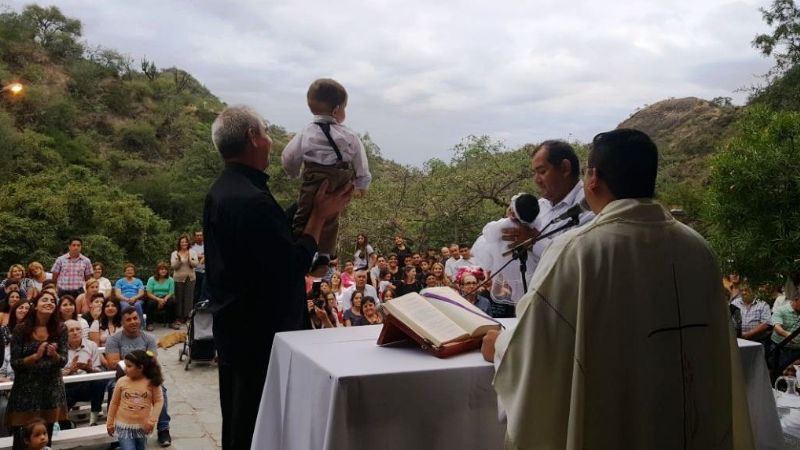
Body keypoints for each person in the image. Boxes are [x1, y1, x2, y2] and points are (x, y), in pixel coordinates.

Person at [481, 129, 752, 448]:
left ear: (592, 178)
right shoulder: (699, 248)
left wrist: (500, 346)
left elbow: (536, 345)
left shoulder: (579, 250)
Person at [204, 105, 352, 450]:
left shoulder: (226, 190)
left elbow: (267, 239)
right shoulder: (249, 199)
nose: (271, 141)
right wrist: (319, 216)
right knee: (259, 426)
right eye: (267, 133)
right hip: (261, 337)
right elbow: (290, 263)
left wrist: (308, 206)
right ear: (253, 138)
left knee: (241, 418)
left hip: (237, 329)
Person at [282, 78, 371, 275]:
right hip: (341, 177)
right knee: (332, 218)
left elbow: (289, 156)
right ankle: (324, 255)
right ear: (337, 110)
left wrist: (293, 172)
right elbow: (360, 159)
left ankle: (300, 247)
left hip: (315, 177)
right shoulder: (349, 135)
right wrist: (361, 183)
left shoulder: (306, 133)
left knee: (304, 212)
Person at [500, 140, 594, 275]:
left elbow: (576, 262)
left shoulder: (589, 207)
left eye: (542, 171)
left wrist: (533, 242)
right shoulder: (540, 206)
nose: (536, 180)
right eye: (535, 173)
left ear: (564, 168)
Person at [7, 292, 67, 450]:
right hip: (25, 392)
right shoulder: (21, 329)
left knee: (44, 440)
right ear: (35, 305)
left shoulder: (61, 329)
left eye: (53, 301)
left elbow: (63, 361)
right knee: (22, 440)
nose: (49, 302)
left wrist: (53, 355)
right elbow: (15, 363)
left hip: (51, 390)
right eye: (45, 299)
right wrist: (36, 356)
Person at [103, 308, 171, 446]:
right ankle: (119, 430)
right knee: (113, 388)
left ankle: (163, 429)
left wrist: (136, 367)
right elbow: (111, 363)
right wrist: (135, 365)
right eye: (128, 319)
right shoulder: (114, 339)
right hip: (122, 377)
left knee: (161, 391)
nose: (133, 322)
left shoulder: (149, 338)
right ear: (121, 322)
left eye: (135, 318)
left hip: (145, 377)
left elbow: (152, 362)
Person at [471, 193, 540, 318]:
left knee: (516, 295)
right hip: (528, 264)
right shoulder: (534, 225)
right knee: (523, 293)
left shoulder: (505, 223)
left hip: (506, 261)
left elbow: (488, 232)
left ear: (512, 212)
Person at [107, 350, 164, 450]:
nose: (125, 369)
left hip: (142, 427)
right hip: (123, 426)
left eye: (129, 366)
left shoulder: (152, 382)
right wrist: (110, 422)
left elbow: (159, 401)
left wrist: (152, 421)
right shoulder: (121, 381)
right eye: (125, 365)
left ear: (140, 368)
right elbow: (114, 403)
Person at [62, 319, 105, 426]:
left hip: (86, 384)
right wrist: (70, 371)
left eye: (78, 329)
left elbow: (97, 370)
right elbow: (55, 375)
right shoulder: (59, 349)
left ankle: (93, 419)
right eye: (71, 330)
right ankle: (64, 422)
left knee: (100, 381)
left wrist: (89, 369)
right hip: (67, 386)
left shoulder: (91, 345)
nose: (75, 332)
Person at [171, 235, 199, 325]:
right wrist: (179, 260)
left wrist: (190, 259)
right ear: (179, 243)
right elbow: (174, 266)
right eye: (182, 242)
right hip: (178, 278)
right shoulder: (175, 253)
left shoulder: (192, 252)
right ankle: (179, 318)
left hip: (190, 278)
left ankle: (188, 317)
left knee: (189, 298)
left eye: (186, 242)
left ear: (188, 243)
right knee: (179, 298)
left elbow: (195, 264)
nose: (184, 243)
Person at [145, 263, 176, 331]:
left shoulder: (170, 279)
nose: (163, 271)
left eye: (165, 269)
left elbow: (171, 292)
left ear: (167, 271)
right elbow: (148, 293)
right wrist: (158, 299)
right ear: (158, 271)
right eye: (161, 269)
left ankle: (171, 322)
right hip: (154, 297)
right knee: (150, 303)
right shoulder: (151, 279)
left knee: (172, 302)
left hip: (166, 297)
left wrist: (164, 299)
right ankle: (149, 324)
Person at [191, 230, 206, 304]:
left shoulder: (207, 246)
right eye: (197, 235)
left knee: (204, 288)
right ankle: (195, 304)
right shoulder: (192, 247)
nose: (199, 237)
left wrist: (199, 256)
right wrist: (202, 256)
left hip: (206, 271)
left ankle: (202, 304)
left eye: (201, 235)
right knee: (196, 289)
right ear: (195, 237)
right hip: (195, 271)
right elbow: (192, 257)